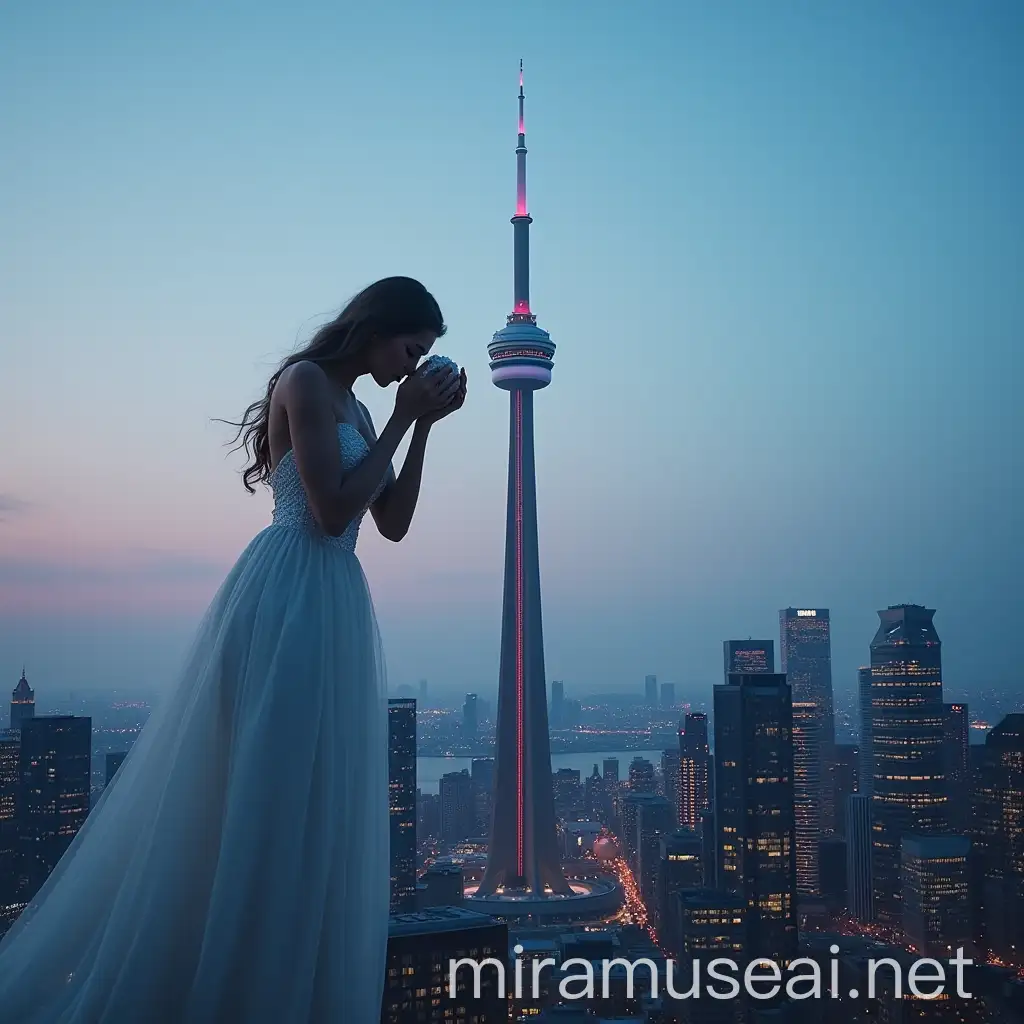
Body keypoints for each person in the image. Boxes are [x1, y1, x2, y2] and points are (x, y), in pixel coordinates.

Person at [0, 276, 466, 1022]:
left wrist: (420, 428)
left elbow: (394, 523)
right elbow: (328, 509)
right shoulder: (306, 381)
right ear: (379, 327)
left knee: (310, 800)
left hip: (335, 601)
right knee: (264, 788)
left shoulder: (368, 406)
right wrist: (400, 419)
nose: (413, 366)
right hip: (287, 597)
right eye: (413, 347)